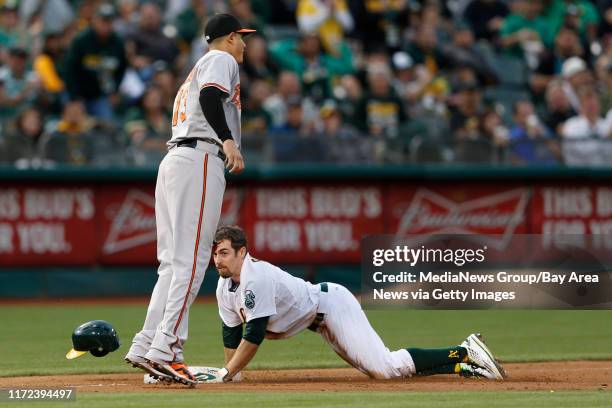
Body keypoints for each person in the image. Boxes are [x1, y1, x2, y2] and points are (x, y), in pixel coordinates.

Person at [124, 13, 253, 385]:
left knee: (172, 263)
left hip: (177, 159)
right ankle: (167, 351)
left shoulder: (197, 67)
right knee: (193, 262)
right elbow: (211, 97)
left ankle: (147, 343)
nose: (244, 44)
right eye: (241, 37)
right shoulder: (221, 59)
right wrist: (228, 140)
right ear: (228, 38)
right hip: (199, 158)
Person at [207, 225, 507, 383]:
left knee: (386, 369)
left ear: (242, 252)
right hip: (319, 319)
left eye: (223, 253)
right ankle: (463, 365)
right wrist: (234, 372)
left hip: (332, 306)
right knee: (380, 372)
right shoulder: (224, 287)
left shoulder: (255, 277)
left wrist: (227, 373)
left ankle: (465, 352)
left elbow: (254, 334)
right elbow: (231, 332)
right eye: (215, 254)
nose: (217, 259)